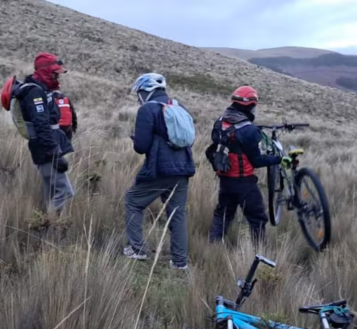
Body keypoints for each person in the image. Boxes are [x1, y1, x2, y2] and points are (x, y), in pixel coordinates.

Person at [124, 73, 196, 270]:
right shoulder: (179, 106)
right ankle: (180, 262)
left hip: (159, 169)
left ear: (146, 91)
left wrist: (135, 138)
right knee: (177, 213)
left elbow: (141, 146)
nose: (138, 97)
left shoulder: (148, 109)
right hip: (183, 167)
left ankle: (137, 249)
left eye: (139, 92)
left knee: (133, 200)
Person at [206, 86, 293, 244]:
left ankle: (212, 247)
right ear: (250, 106)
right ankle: (259, 253)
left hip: (225, 180)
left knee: (223, 215)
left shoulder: (220, 122)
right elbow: (257, 161)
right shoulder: (249, 130)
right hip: (244, 183)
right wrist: (278, 159)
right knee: (257, 218)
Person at [14, 52, 75, 212]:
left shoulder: (42, 89)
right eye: (56, 73)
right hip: (45, 148)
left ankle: (46, 230)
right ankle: (50, 227)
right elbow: (41, 124)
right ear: (46, 72)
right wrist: (55, 153)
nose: (58, 77)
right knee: (65, 192)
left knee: (51, 193)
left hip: (46, 147)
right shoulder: (35, 92)